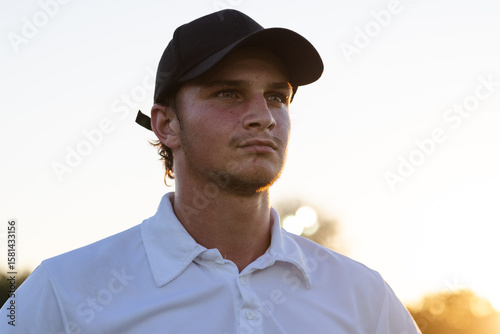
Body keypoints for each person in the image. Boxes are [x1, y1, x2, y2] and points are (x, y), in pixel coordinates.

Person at [0, 9, 420, 334]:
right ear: (166, 125)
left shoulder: (364, 297)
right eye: (228, 93)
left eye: (277, 97)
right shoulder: (65, 289)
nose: (264, 117)